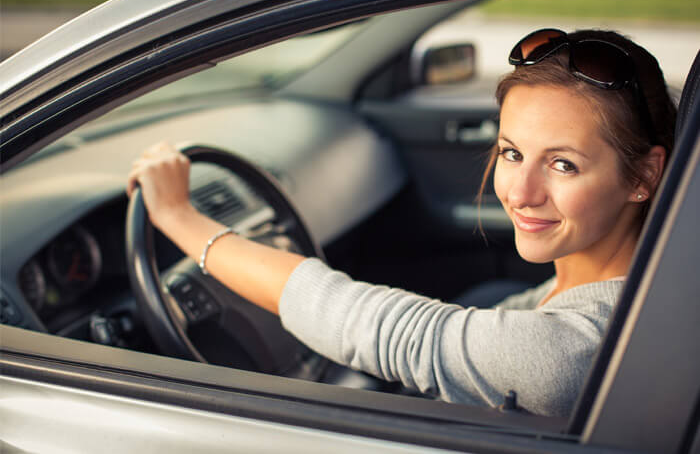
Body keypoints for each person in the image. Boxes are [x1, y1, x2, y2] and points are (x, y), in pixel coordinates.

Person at [127, 29, 677, 417]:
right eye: (511, 153)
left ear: (643, 175)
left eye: (563, 164)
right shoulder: (627, 282)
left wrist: (180, 217)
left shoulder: (571, 349)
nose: (521, 193)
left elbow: (368, 323)